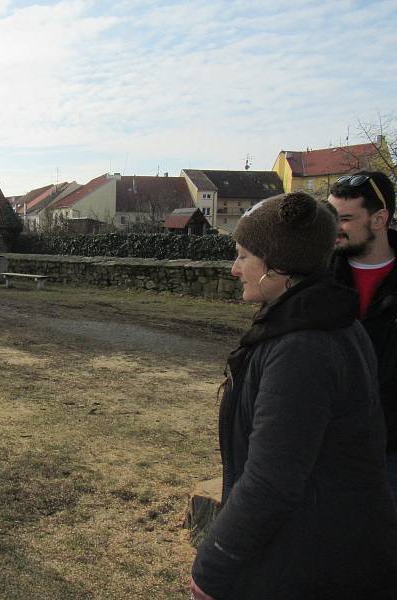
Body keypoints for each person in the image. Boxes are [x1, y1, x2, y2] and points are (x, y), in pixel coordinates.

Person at [189, 192, 397, 600]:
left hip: (313, 562)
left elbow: (272, 480)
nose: (234, 269)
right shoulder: (322, 322)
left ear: (278, 267)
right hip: (320, 547)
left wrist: (212, 563)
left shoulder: (303, 346)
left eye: (244, 256)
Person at [327, 171, 397, 498]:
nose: (334, 228)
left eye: (345, 218)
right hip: (330, 444)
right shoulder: (318, 280)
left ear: (379, 218)